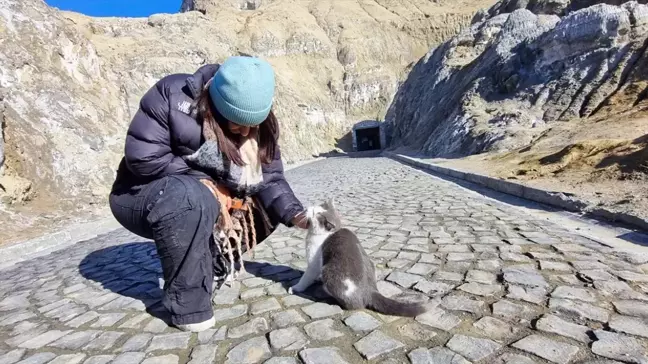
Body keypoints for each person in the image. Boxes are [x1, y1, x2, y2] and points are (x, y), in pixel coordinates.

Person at [108, 56, 308, 332]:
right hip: (140, 194)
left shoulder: (260, 128)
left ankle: (212, 262)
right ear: (215, 104)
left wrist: (297, 214)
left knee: (266, 204)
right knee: (192, 196)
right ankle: (187, 304)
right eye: (236, 122)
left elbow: (270, 178)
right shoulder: (173, 95)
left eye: (254, 123)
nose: (246, 131)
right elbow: (143, 158)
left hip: (201, 195)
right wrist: (211, 184)